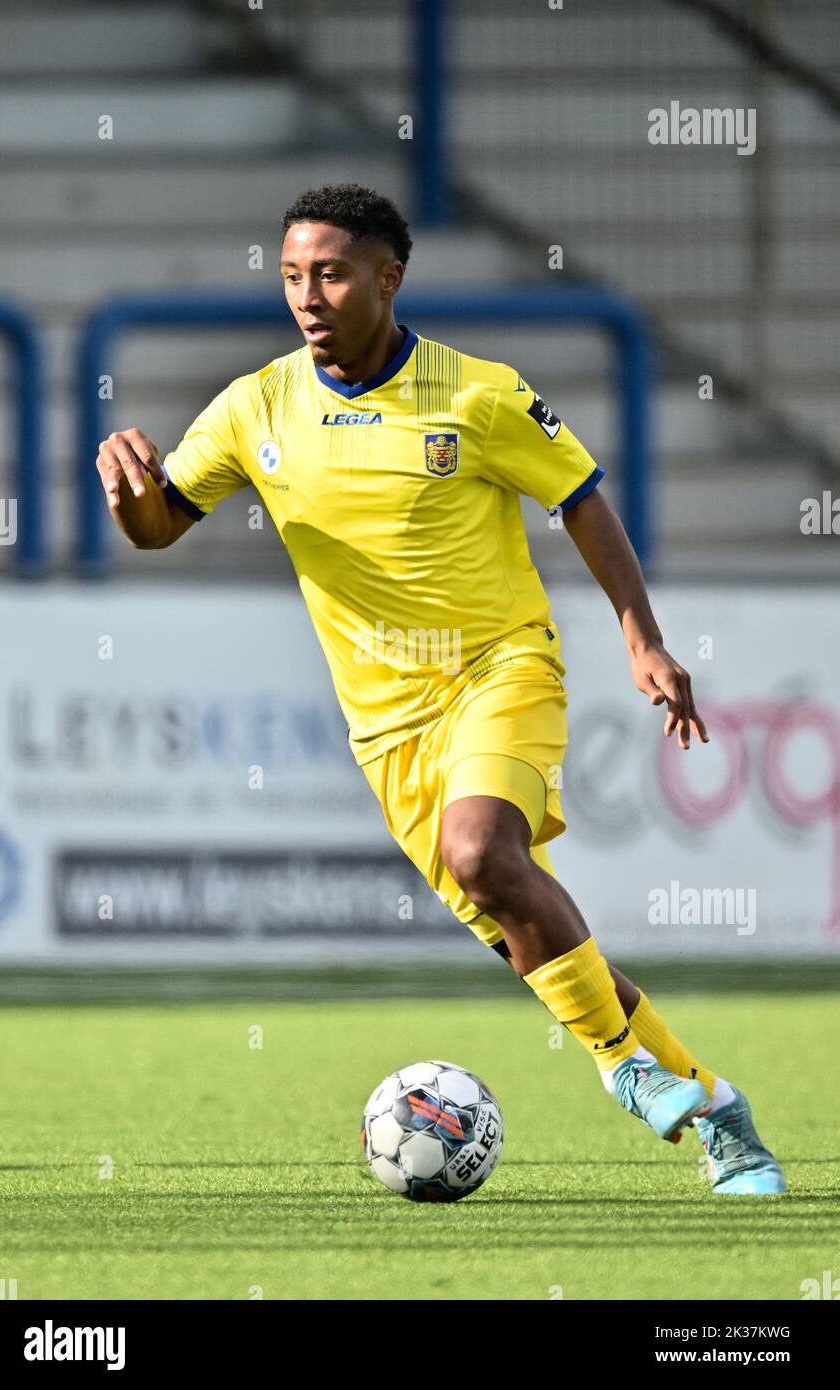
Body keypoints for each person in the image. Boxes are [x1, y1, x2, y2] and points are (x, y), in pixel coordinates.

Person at [96, 183, 785, 1195]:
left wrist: (641, 637)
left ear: (388, 276)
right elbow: (162, 526)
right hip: (388, 735)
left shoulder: (476, 396)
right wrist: (130, 498)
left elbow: (580, 501)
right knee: (526, 929)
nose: (308, 295)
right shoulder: (256, 407)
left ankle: (618, 1068)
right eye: (291, 275)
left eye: (329, 272)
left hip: (498, 668)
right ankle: (714, 1109)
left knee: (481, 850)